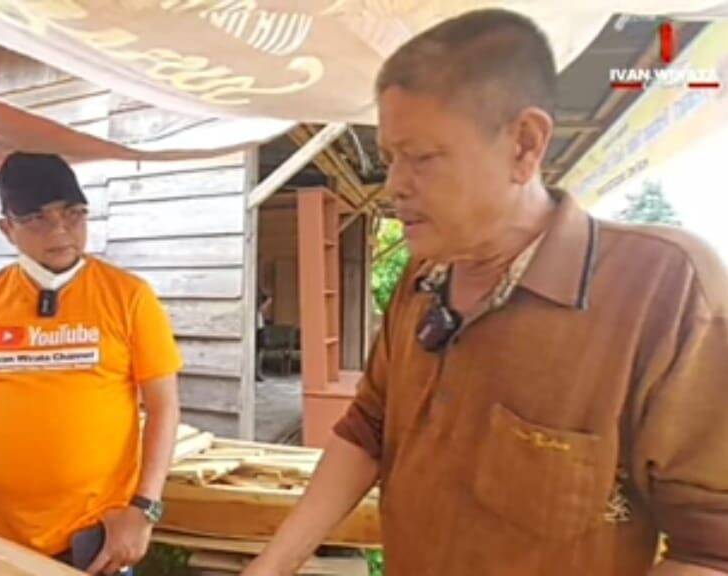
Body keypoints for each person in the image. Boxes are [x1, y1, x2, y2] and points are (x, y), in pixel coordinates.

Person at [244, 9, 727, 576]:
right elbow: (368, 429)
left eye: (421, 157)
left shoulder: (664, 291)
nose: (394, 184)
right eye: (391, 158)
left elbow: (712, 548)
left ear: (524, 145)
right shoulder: (422, 280)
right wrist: (270, 567)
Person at [0, 152, 184, 576]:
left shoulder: (129, 297)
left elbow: (164, 406)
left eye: (72, 213)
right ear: (7, 228)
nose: (59, 229)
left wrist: (144, 509)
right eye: (37, 218)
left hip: (96, 539)